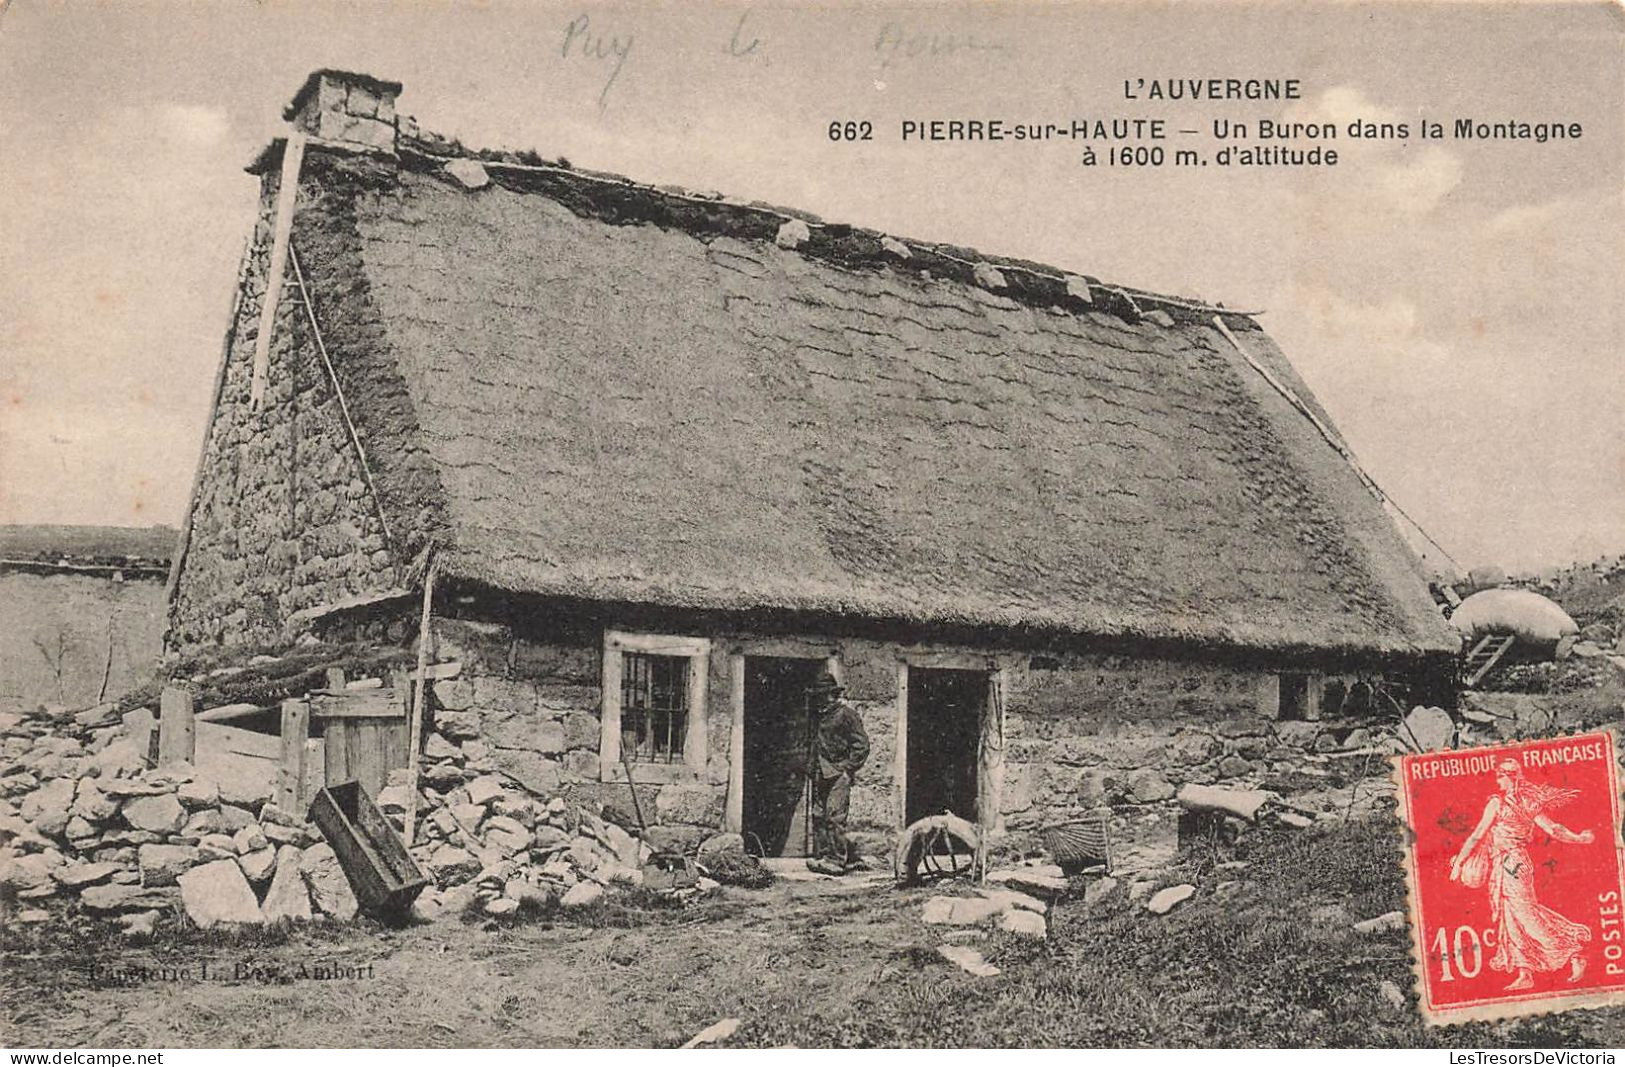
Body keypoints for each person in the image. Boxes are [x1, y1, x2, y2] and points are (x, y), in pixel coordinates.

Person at [1449, 758, 1595, 990]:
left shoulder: (1502, 804)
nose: (1497, 780)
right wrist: (1578, 838)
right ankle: (1525, 973)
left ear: (1510, 777)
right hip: (1507, 864)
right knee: (1511, 918)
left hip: (1512, 864)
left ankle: (1573, 953)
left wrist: (1459, 863)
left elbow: (1477, 835)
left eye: (1500, 776)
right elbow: (1553, 829)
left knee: (1525, 915)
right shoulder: (1523, 803)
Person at [803, 672, 869, 874]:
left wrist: (847, 768)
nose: (819, 699)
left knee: (834, 817)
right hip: (819, 773)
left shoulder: (846, 715)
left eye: (822, 695)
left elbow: (862, 745)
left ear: (831, 695)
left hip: (838, 774)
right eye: (817, 695)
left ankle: (837, 860)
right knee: (818, 815)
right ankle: (823, 856)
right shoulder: (818, 716)